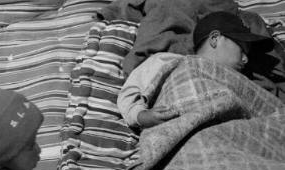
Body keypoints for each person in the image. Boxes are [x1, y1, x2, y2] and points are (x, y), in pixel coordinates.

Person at [117, 11, 275, 129]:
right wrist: (142, 117)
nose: (246, 59)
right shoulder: (170, 61)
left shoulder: (243, 82)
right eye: (242, 49)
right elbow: (130, 92)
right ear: (215, 38)